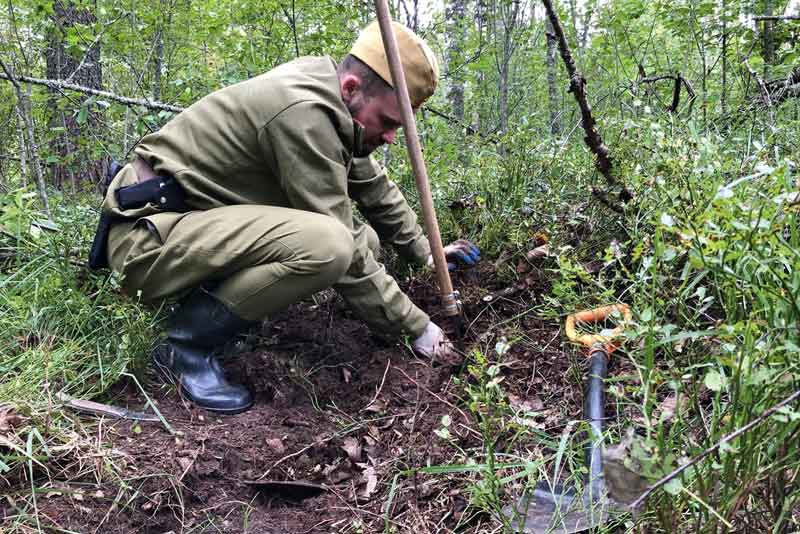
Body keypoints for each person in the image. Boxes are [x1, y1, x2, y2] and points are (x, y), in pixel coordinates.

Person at [98, 20, 480, 415]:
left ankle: (220, 312)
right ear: (351, 88)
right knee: (330, 247)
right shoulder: (304, 114)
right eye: (387, 122)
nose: (389, 138)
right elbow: (343, 250)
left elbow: (373, 187)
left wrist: (426, 254)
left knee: (365, 242)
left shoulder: (333, 98)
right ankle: (184, 346)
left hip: (188, 229)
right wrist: (416, 328)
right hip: (146, 244)